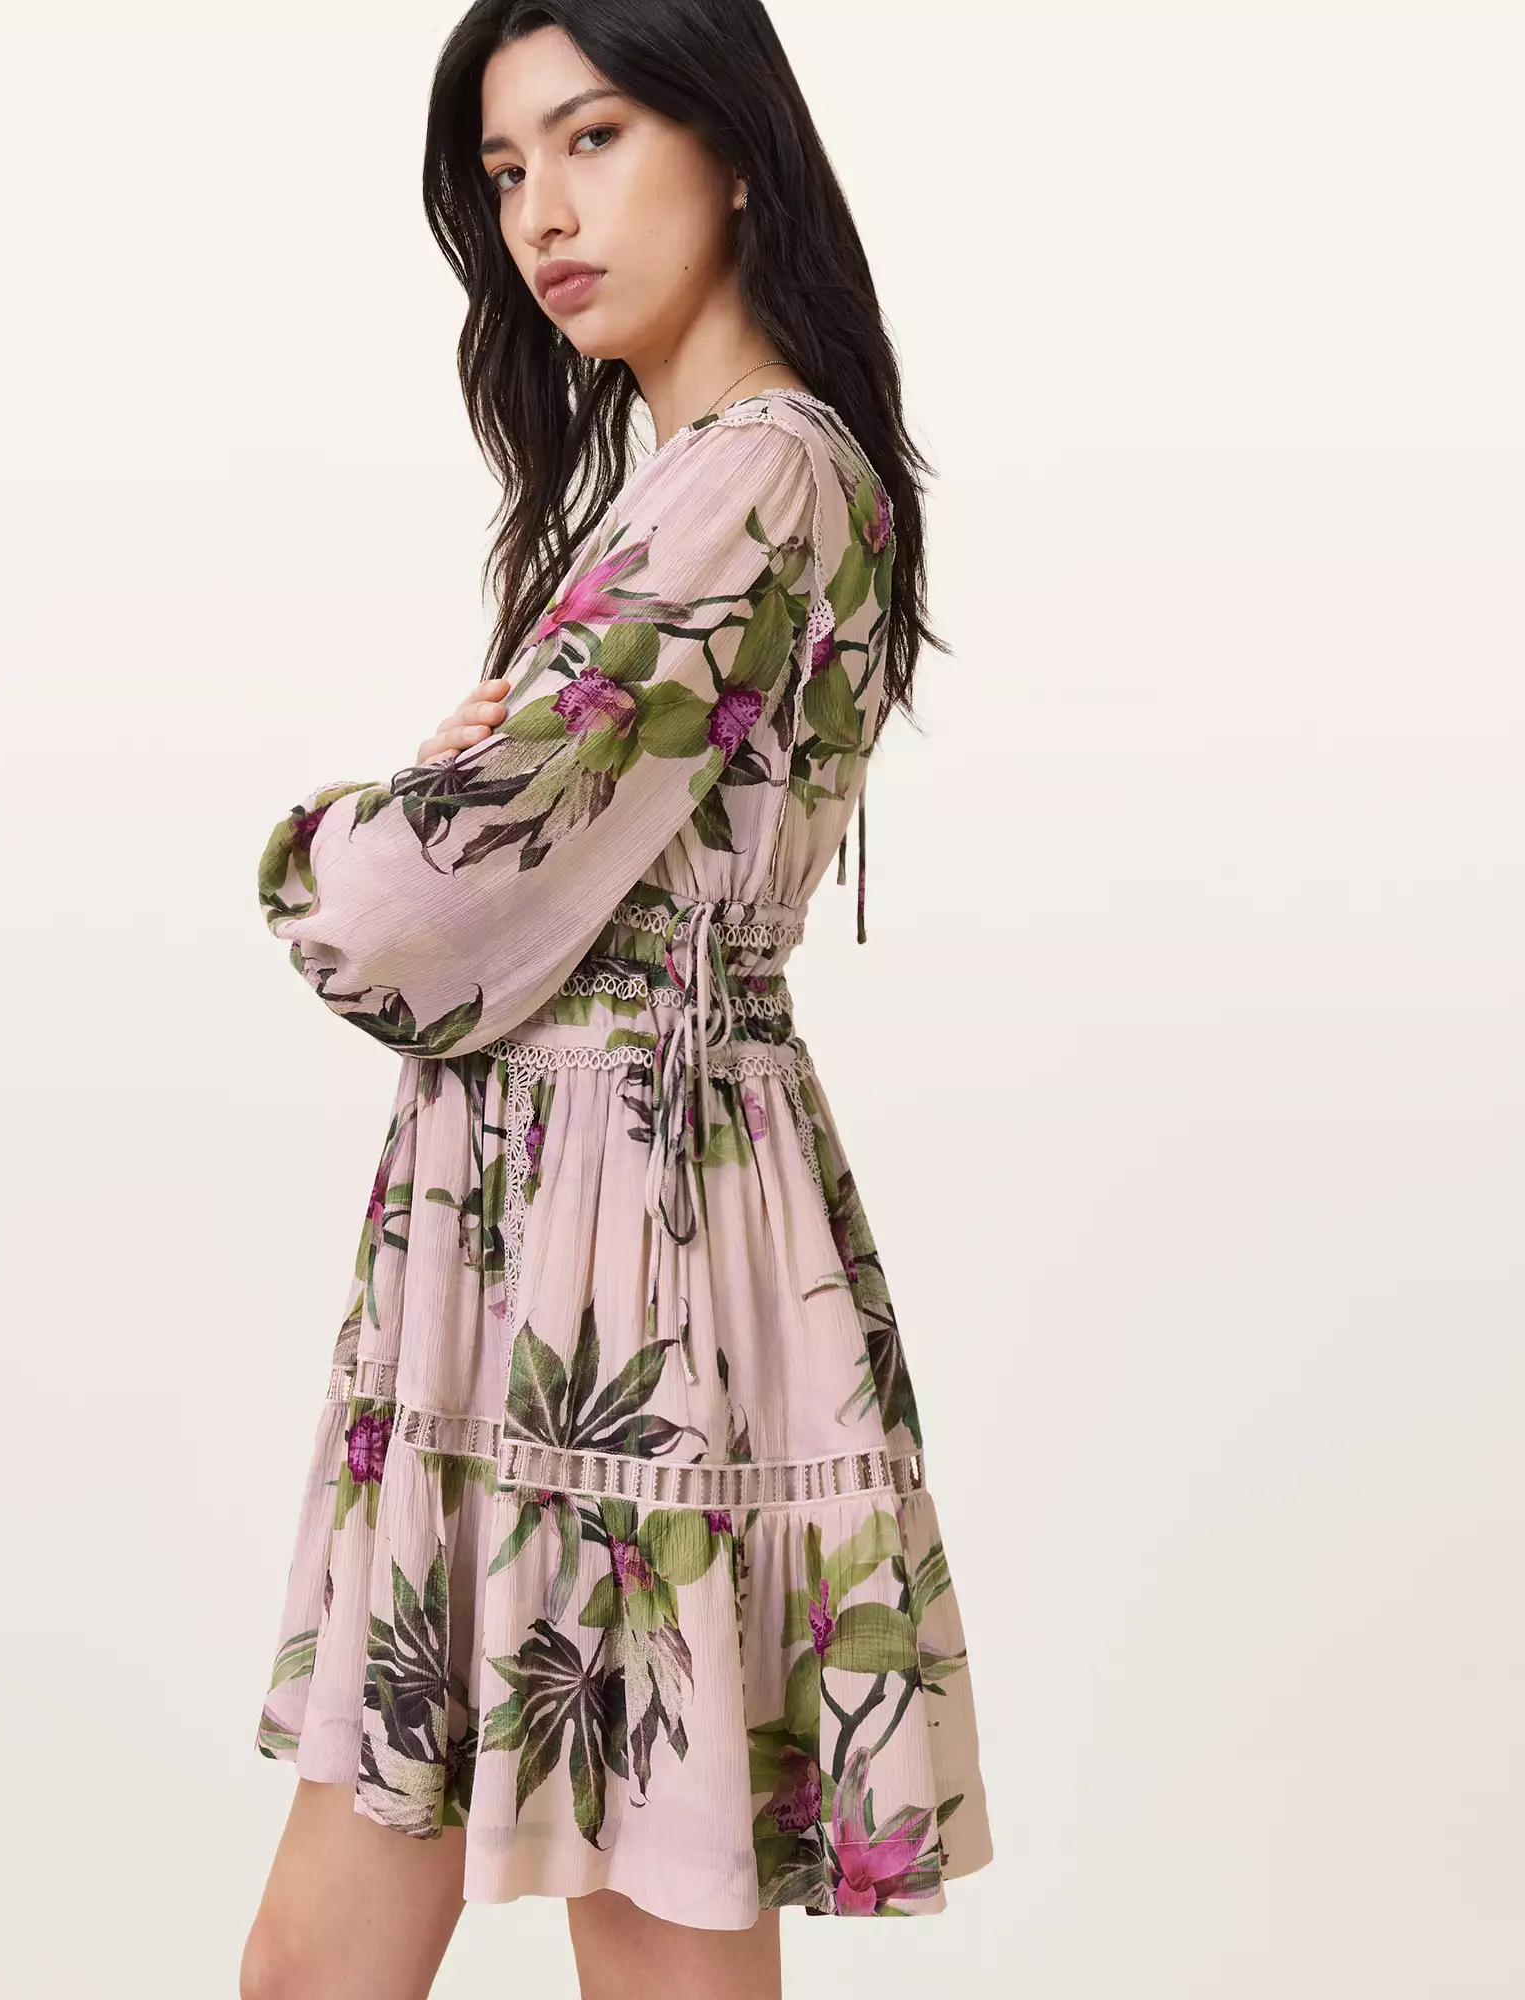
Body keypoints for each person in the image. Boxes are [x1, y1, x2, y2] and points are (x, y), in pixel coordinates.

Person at [240, 5, 992, 1995]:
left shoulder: (753, 482)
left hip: (622, 1260)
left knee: (640, 1954)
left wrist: (337, 830)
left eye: (590, 141)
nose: (540, 217)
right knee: (322, 1963)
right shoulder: (691, 487)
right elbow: (489, 870)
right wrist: (447, 814)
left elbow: (403, 915)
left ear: (731, 149)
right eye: (505, 173)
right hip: (548, 1233)